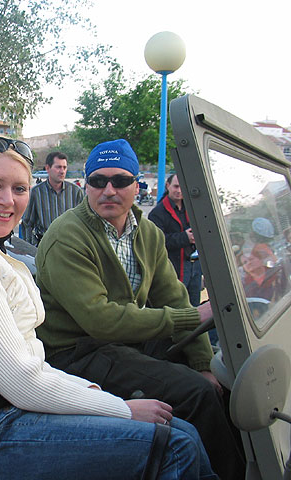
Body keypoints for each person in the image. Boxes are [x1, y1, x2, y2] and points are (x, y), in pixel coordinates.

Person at [0, 137, 217, 479]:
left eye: (19, 189)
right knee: (175, 445)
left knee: (182, 432)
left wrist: (105, 399)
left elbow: (31, 366)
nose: (8, 200)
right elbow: (21, 380)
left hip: (4, 414)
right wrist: (120, 409)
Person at [35, 139, 244, 480]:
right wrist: (196, 317)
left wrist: (204, 364)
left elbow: (173, 297)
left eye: (120, 180)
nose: (108, 190)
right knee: (198, 394)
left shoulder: (147, 233)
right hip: (76, 352)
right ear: (85, 185)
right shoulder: (67, 237)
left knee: (226, 380)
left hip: (122, 342)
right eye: (98, 181)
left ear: (137, 185)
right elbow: (101, 320)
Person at [148, 174, 202, 306]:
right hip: (173, 267)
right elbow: (156, 242)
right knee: (177, 304)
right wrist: (185, 237)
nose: (179, 191)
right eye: (176, 186)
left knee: (194, 304)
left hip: (194, 265)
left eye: (182, 187)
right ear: (168, 186)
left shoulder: (192, 208)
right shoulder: (157, 213)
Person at [21, 151, 84, 246]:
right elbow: (27, 223)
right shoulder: (36, 192)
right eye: (58, 167)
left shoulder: (75, 192)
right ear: (47, 168)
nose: (62, 171)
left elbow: (83, 222)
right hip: (45, 245)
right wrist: (32, 247)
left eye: (64, 167)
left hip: (71, 246)